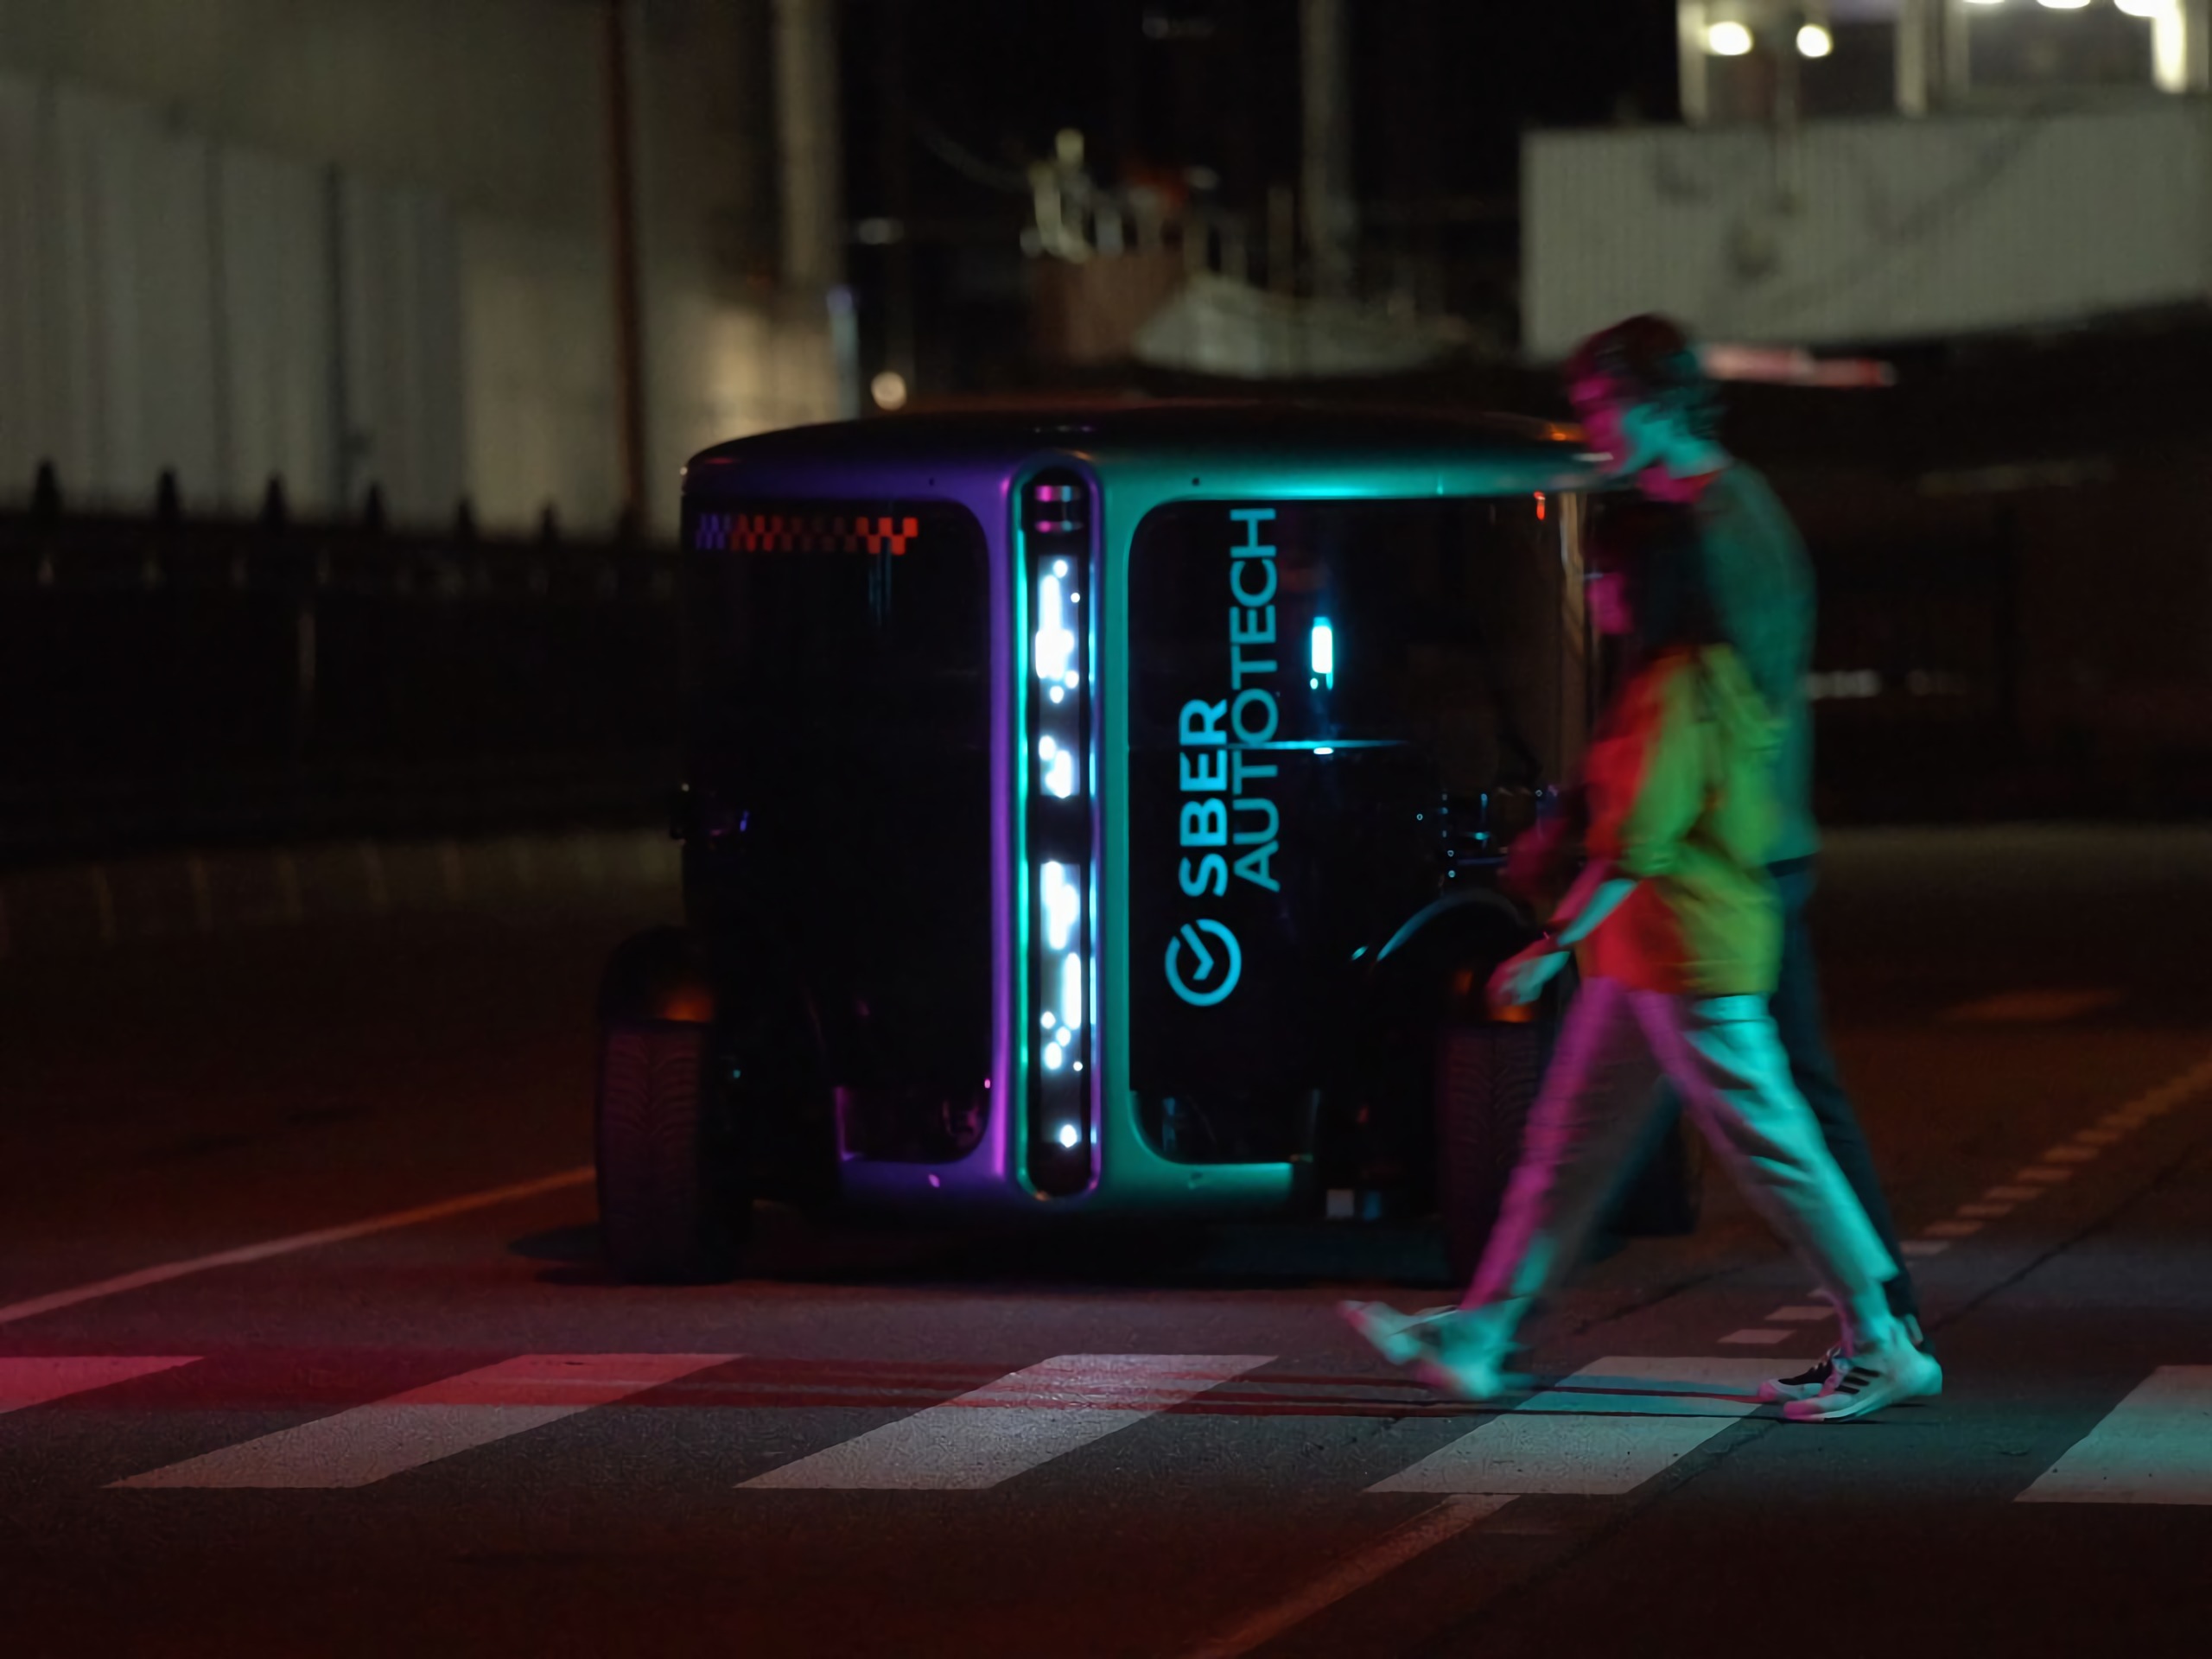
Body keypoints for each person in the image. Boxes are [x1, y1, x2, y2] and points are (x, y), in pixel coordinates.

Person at [1343, 511, 1941, 1423]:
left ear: (1650, 583)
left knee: (1773, 1153)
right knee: (1569, 1147)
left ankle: (1883, 1341)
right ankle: (1483, 1334)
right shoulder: (1681, 676)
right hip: (1646, 959)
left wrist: (1547, 949)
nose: (1594, 591)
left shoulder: (1679, 685)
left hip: (1696, 959)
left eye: (1607, 575)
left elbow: (1639, 845)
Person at [1569, 315, 1923, 1402]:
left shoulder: (1726, 523)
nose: (1592, 430)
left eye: (1601, 407)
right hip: (1718, 856)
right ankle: (1487, 1319)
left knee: (1782, 1108)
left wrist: (1654, 818)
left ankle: (1886, 1328)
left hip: (1737, 860)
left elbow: (1732, 706)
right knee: (1608, 1120)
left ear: (1656, 404)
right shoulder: (1701, 512)